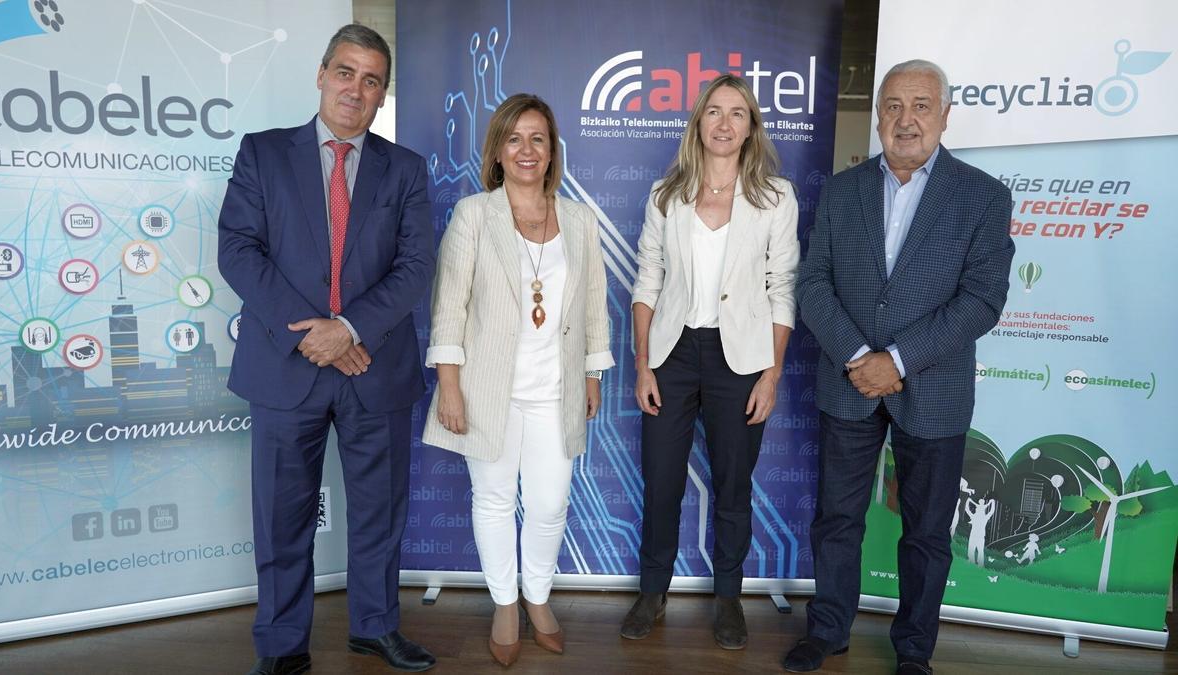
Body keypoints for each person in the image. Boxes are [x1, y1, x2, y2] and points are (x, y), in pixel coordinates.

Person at [218, 24, 437, 675]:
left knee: (380, 514)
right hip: (288, 367)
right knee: (283, 517)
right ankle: (283, 644)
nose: (356, 89)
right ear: (321, 74)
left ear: (382, 94)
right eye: (346, 72)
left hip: (376, 365)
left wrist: (349, 329)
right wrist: (317, 330)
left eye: (372, 80)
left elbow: (416, 265)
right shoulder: (263, 154)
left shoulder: (407, 169)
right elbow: (238, 251)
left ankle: (374, 626)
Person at [784, 59, 1014, 675]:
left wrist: (901, 361)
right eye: (891, 105)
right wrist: (862, 358)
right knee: (837, 519)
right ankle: (828, 629)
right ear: (879, 116)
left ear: (944, 115)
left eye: (919, 105)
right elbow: (812, 285)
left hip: (933, 389)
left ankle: (914, 648)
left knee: (926, 533)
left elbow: (982, 300)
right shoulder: (841, 191)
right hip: (851, 383)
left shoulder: (983, 196)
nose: (904, 119)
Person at [420, 93, 613, 667]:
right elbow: (449, 305)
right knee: (495, 500)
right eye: (514, 139)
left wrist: (593, 375)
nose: (527, 150)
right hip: (486, 391)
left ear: (552, 151)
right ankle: (506, 602)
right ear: (498, 151)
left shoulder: (579, 220)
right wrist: (449, 386)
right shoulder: (474, 214)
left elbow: (595, 305)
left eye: (538, 138)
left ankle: (538, 595)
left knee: (551, 503)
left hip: (557, 391)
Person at [620, 74, 799, 651]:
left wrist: (770, 374)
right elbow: (647, 279)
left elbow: (781, 288)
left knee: (732, 484)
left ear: (752, 127)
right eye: (714, 112)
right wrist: (643, 364)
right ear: (698, 121)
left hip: (741, 359)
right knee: (662, 481)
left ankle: (728, 599)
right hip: (672, 355)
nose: (725, 124)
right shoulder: (664, 195)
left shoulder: (776, 198)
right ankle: (653, 590)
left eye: (738, 114)